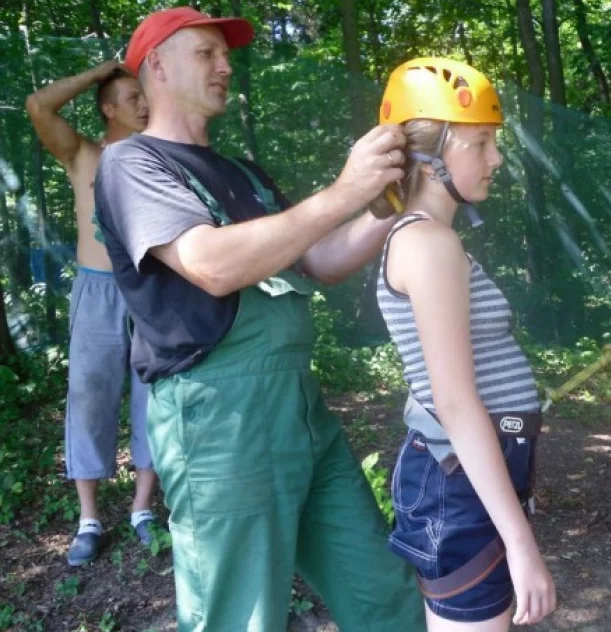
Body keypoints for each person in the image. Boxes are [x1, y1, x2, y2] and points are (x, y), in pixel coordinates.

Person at [92, 7, 425, 631]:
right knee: (239, 616)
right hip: (219, 419)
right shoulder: (131, 164)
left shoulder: (243, 171)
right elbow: (209, 264)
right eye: (206, 53)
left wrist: (390, 201)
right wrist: (345, 191)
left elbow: (321, 258)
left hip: (301, 408)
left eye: (227, 54)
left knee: (382, 589)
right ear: (156, 65)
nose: (225, 65)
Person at [373, 58, 556, 630]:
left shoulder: (434, 239)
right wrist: (520, 542)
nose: (496, 158)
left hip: (464, 475)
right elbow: (455, 402)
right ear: (429, 159)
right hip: (457, 483)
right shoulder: (429, 244)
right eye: (479, 143)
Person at [26, 60, 156, 566]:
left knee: (154, 399)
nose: (144, 105)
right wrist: (104, 69)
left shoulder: (158, 157)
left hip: (149, 292)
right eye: (132, 98)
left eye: (145, 96)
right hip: (97, 290)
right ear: (107, 109)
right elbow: (39, 105)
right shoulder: (84, 154)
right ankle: (89, 519)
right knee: (89, 398)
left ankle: (142, 510)